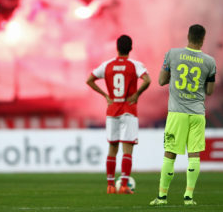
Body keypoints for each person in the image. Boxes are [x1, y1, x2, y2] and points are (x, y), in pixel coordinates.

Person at [150, 24, 216, 206]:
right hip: (197, 113)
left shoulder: (173, 54)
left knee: (170, 154)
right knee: (194, 155)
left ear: (188, 36)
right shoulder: (210, 62)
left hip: (177, 113)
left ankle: (162, 197)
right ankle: (188, 197)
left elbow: (161, 80)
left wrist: (176, 76)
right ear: (203, 39)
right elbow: (210, 91)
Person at [86, 35, 151, 194]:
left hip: (112, 110)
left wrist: (106, 95)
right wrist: (137, 95)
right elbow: (147, 80)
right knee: (127, 149)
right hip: (128, 111)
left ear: (117, 48)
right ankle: (123, 186)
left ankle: (109, 186)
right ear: (131, 48)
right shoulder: (135, 65)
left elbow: (89, 80)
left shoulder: (107, 65)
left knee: (112, 148)